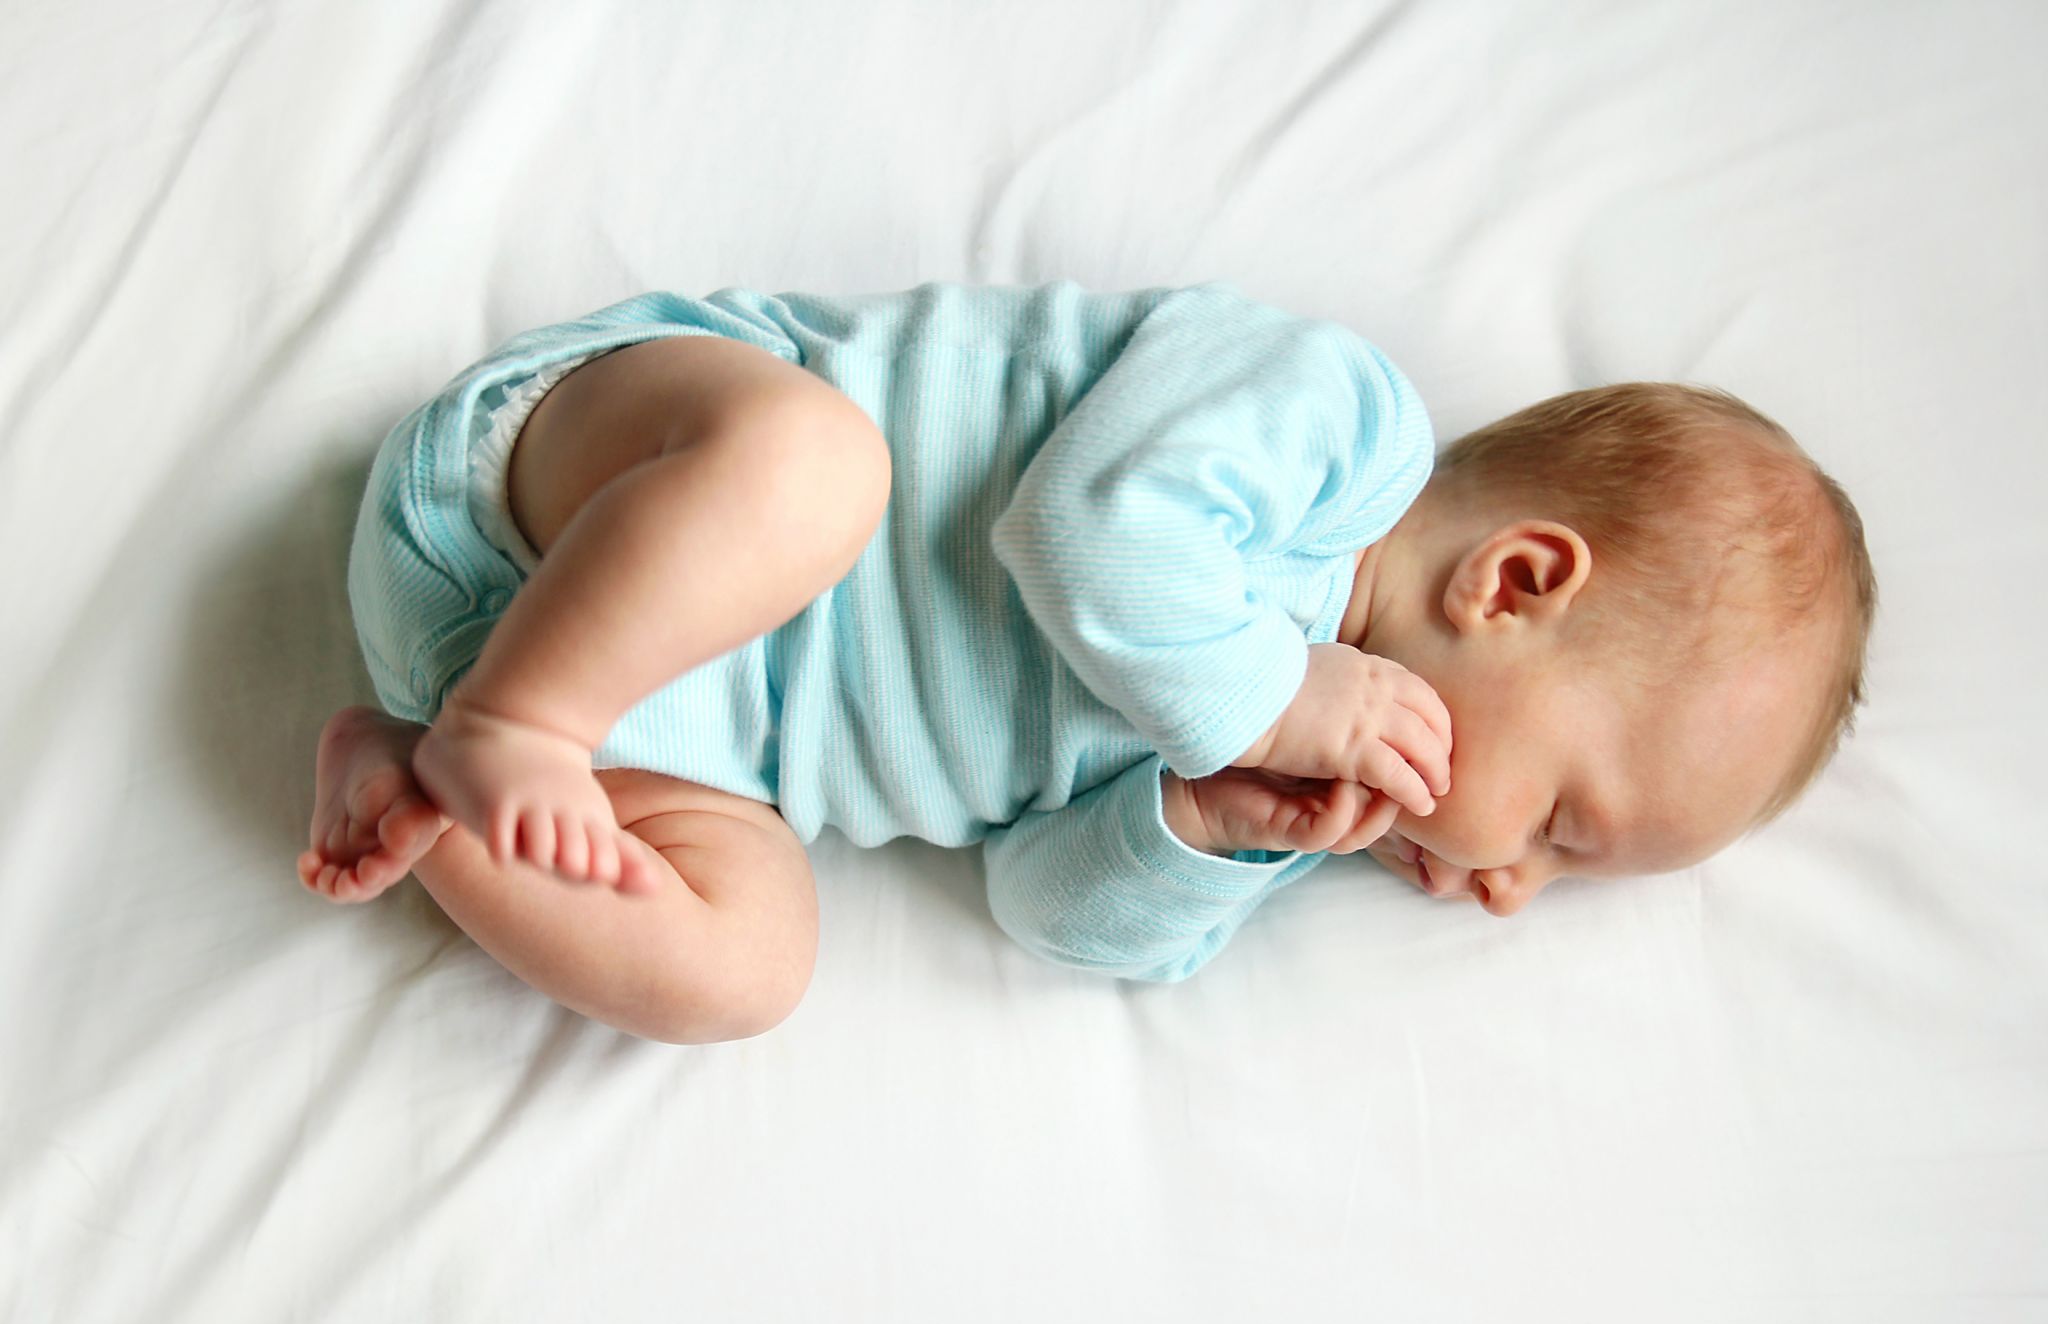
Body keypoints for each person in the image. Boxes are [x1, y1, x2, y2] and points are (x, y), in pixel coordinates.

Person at [298, 281, 1876, 1044]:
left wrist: (1195, 827)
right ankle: (518, 713)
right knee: (813, 466)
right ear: (1516, 580)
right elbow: (1079, 533)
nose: (1513, 883)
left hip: (659, 736)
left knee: (750, 969)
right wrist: (1278, 688)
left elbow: (1042, 908)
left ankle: (432, 779)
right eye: (1560, 826)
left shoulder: (1286, 799)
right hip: (586, 484)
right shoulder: (1340, 432)